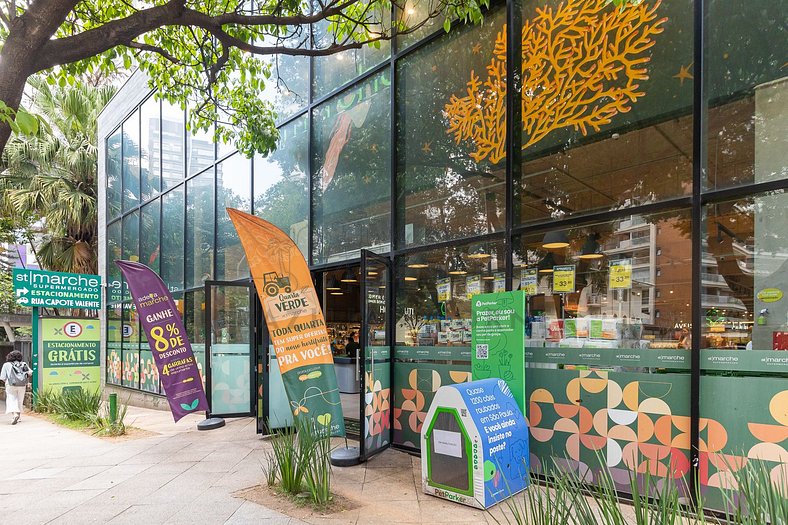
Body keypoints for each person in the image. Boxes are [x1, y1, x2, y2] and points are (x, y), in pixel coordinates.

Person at [1, 350, 31, 425]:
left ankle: (15, 415)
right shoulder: (24, 364)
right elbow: (30, 373)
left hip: (10, 384)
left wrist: (7, 381)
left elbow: (2, 377)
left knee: (11, 399)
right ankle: (19, 417)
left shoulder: (6, 365)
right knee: (20, 400)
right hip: (22, 385)